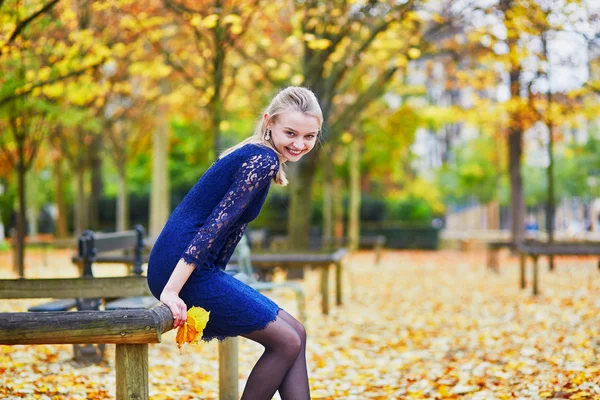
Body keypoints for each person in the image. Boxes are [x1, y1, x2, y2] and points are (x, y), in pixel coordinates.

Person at [147, 86, 322, 400]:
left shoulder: (259, 154)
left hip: (193, 266)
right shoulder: (262, 160)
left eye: (309, 137)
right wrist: (171, 291)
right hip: (183, 268)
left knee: (297, 333)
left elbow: (232, 230)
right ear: (269, 122)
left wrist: (221, 279)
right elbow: (212, 230)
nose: (299, 144)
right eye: (291, 132)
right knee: (287, 341)